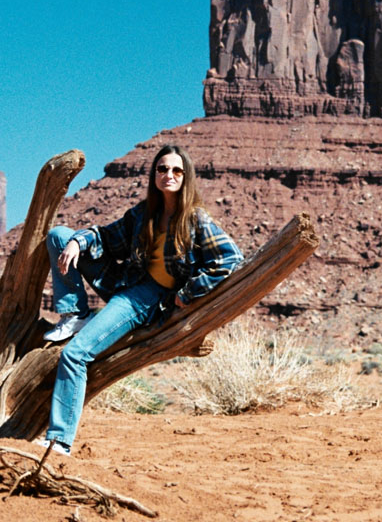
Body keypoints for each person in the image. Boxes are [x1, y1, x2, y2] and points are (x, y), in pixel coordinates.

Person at [37, 143, 243, 455]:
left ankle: (59, 441)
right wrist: (79, 243)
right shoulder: (143, 214)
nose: (169, 175)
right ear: (154, 175)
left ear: (186, 177)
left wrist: (187, 293)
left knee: (75, 355)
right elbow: (107, 238)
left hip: (145, 299)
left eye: (176, 170)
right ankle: (75, 315)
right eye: (162, 169)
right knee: (60, 236)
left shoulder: (195, 219)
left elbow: (230, 259)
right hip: (124, 281)